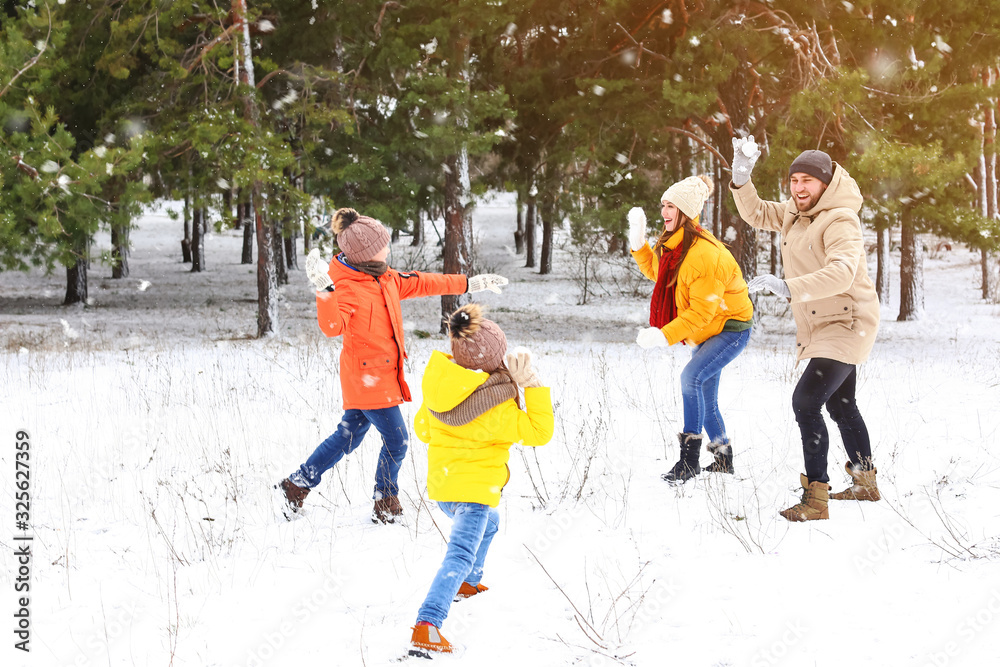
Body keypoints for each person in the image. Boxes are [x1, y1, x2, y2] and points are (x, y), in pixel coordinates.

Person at [276, 208, 509, 523]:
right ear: (364, 253)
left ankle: (297, 484)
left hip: (381, 377)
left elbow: (426, 282)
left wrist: (470, 282)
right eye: (382, 245)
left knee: (347, 436)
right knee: (397, 440)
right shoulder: (346, 286)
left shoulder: (386, 278)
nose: (387, 248)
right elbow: (332, 327)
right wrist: (326, 292)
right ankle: (385, 500)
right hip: (367, 380)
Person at [729, 138, 881, 522]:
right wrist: (742, 176)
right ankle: (865, 482)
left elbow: (843, 271)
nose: (799, 188)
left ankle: (816, 498)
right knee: (841, 403)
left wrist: (788, 287)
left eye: (807, 181)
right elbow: (757, 213)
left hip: (848, 321)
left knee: (806, 401)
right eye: (794, 180)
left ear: (825, 184)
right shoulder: (795, 214)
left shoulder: (841, 219)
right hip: (825, 322)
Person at [408, 304, 554, 657]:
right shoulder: (498, 406)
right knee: (458, 553)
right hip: (474, 493)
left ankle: (468, 583)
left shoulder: (440, 388)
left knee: (490, 525)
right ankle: (428, 624)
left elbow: (422, 429)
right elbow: (540, 432)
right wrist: (532, 386)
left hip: (444, 489)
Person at [629, 175, 754, 483]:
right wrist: (639, 246)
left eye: (671, 206)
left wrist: (663, 334)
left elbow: (701, 312)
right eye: (663, 205)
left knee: (691, 378)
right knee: (705, 398)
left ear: (686, 211)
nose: (664, 212)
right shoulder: (678, 247)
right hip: (710, 329)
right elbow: (662, 275)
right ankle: (724, 460)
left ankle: (689, 461)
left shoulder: (705, 255)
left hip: (730, 328)